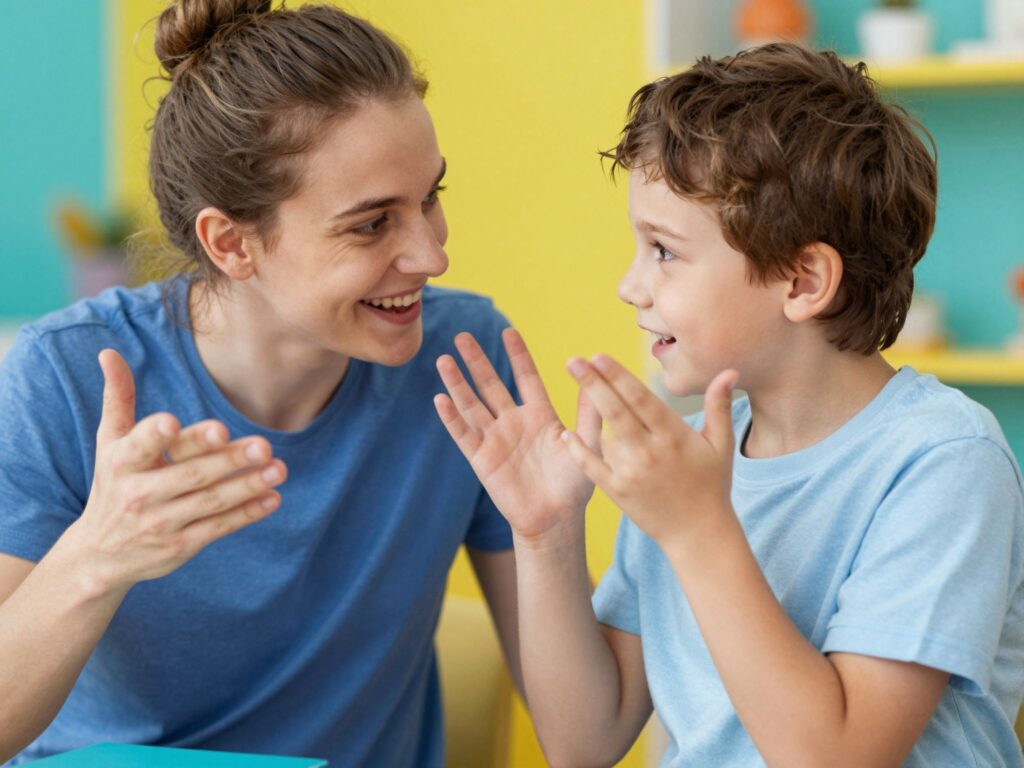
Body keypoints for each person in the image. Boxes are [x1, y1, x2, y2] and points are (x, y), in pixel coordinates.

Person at [435, 44, 1024, 766]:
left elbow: (838, 758)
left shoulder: (944, 459)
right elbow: (581, 742)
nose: (630, 285)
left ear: (803, 281)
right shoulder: (685, 467)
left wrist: (698, 529)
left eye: (663, 250)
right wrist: (546, 536)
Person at [0, 3, 522, 765]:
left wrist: (558, 527)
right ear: (231, 243)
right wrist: (98, 555)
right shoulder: (69, 375)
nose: (431, 256)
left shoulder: (462, 361)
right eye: (372, 224)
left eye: (430, 199)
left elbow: (583, 735)